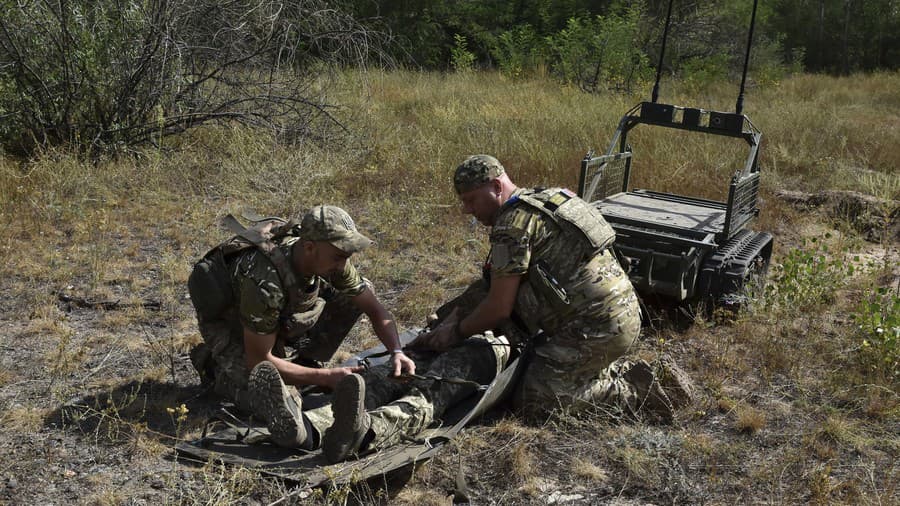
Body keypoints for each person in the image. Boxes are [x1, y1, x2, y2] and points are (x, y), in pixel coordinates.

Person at [321, 155, 692, 463]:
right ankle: (598, 369)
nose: (469, 210)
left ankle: (635, 390)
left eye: (472, 200)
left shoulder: (512, 227)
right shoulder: (548, 200)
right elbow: (490, 283)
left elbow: (498, 307)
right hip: (618, 313)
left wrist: (456, 331)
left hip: (591, 327)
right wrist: (447, 316)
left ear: (496, 187)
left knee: (536, 401)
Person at [187, 205, 415, 450]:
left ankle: (305, 362)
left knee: (358, 291)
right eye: (339, 257)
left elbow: (376, 309)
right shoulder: (265, 283)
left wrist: (396, 352)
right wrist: (326, 378)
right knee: (277, 396)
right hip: (231, 328)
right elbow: (259, 360)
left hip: (270, 322)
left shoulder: (328, 257)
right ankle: (215, 368)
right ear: (309, 248)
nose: (343, 265)